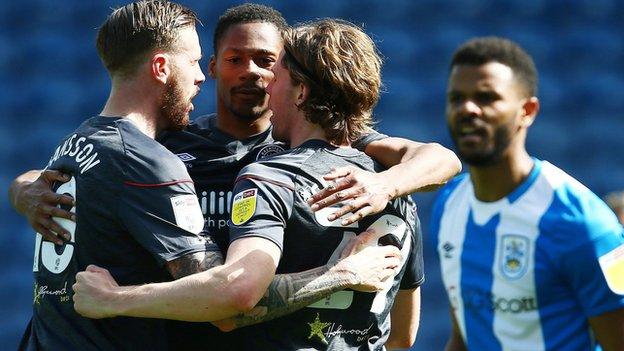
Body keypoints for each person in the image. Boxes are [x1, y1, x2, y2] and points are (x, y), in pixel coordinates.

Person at [9, 3, 461, 350]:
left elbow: (439, 158)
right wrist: (25, 189)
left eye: (268, 62)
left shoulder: (339, 163)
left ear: (293, 82)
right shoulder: (167, 148)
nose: (254, 74)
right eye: (234, 59)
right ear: (211, 66)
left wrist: (387, 185)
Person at [19, 2, 209, 349]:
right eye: (194, 61)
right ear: (161, 66)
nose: (201, 76)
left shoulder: (73, 143)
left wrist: (18, 189)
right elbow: (212, 295)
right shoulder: (143, 160)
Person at [432, 36, 624, 351]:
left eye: (486, 97)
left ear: (528, 111)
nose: (467, 109)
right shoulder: (450, 204)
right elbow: (464, 337)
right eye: (456, 98)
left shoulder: (583, 222)